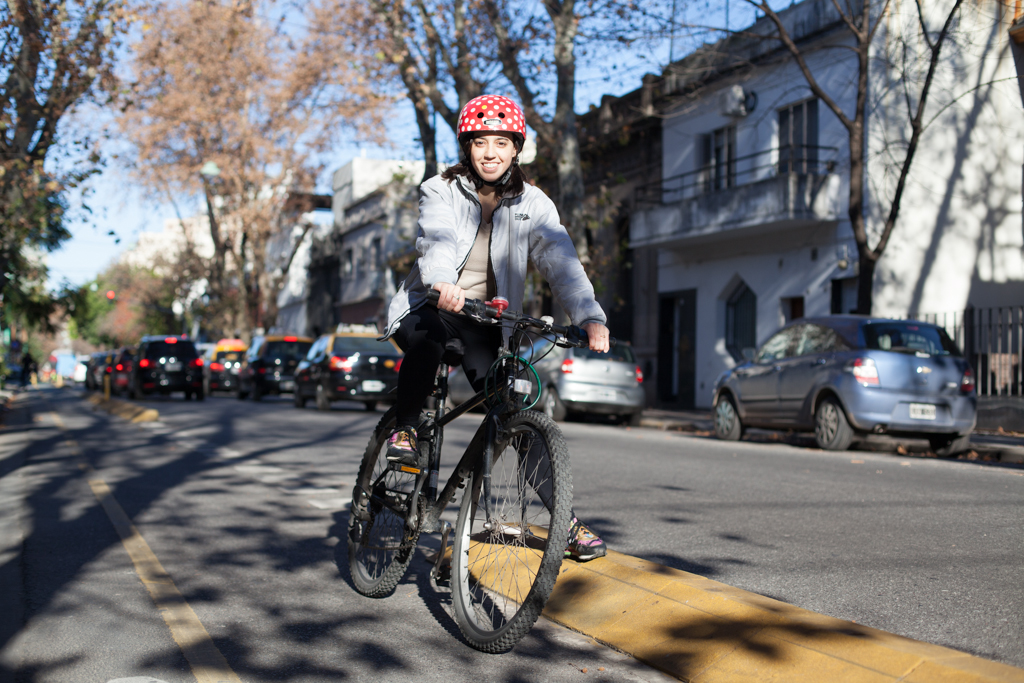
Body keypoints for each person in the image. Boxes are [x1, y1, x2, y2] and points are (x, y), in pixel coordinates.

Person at [379, 94, 609, 562]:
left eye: (501, 142)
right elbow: (437, 238)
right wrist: (442, 282)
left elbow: (561, 261)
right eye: (481, 142)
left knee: (514, 408)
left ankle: (563, 521)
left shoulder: (534, 203)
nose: (490, 152)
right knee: (427, 340)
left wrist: (589, 316)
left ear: (515, 149)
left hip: (486, 322)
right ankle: (404, 430)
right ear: (467, 147)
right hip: (432, 304)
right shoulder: (439, 190)